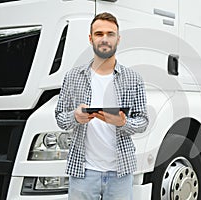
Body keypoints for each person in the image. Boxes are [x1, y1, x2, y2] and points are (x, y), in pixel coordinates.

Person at [55, 12, 148, 200]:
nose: (104, 39)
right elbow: (60, 118)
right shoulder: (73, 76)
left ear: (118, 39)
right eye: (99, 34)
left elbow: (143, 121)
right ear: (90, 38)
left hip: (120, 173)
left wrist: (123, 122)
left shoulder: (133, 79)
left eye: (110, 34)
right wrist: (75, 117)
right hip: (83, 171)